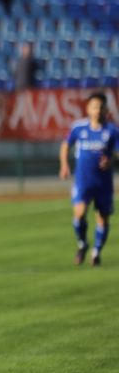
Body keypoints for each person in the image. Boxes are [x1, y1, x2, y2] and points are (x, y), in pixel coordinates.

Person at [59, 93, 116, 266]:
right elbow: (66, 145)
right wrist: (64, 165)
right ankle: (82, 243)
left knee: (103, 218)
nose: (97, 110)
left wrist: (111, 160)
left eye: (101, 107)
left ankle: (96, 252)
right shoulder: (79, 128)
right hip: (83, 181)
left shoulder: (112, 131)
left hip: (103, 183)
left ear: (106, 109)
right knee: (79, 214)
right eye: (94, 107)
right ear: (88, 109)